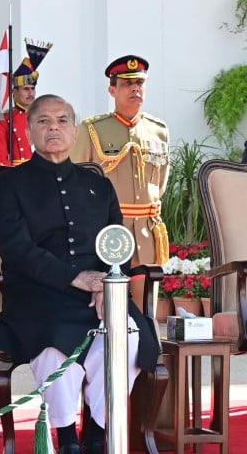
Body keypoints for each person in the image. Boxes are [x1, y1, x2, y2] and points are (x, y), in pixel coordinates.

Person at [0, 94, 160, 454]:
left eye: (62, 120)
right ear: (30, 129)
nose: (54, 127)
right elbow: (17, 250)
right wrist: (76, 278)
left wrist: (107, 285)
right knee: (52, 343)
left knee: (127, 337)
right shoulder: (7, 185)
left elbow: (119, 245)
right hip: (38, 293)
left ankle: (97, 432)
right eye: (44, 121)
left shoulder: (98, 185)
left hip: (98, 294)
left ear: (75, 130)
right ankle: (66, 436)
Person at [69, 55, 170, 309]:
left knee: (146, 312)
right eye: (127, 84)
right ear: (112, 89)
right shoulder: (92, 129)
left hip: (146, 235)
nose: (135, 88)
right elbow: (74, 184)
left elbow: (161, 183)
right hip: (108, 234)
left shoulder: (158, 130)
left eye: (139, 83)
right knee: (109, 311)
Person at [0, 39, 52, 166]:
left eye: (32, 89)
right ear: (14, 92)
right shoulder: (4, 119)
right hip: (18, 174)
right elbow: (0, 158)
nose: (30, 94)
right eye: (25, 89)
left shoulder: (46, 117)